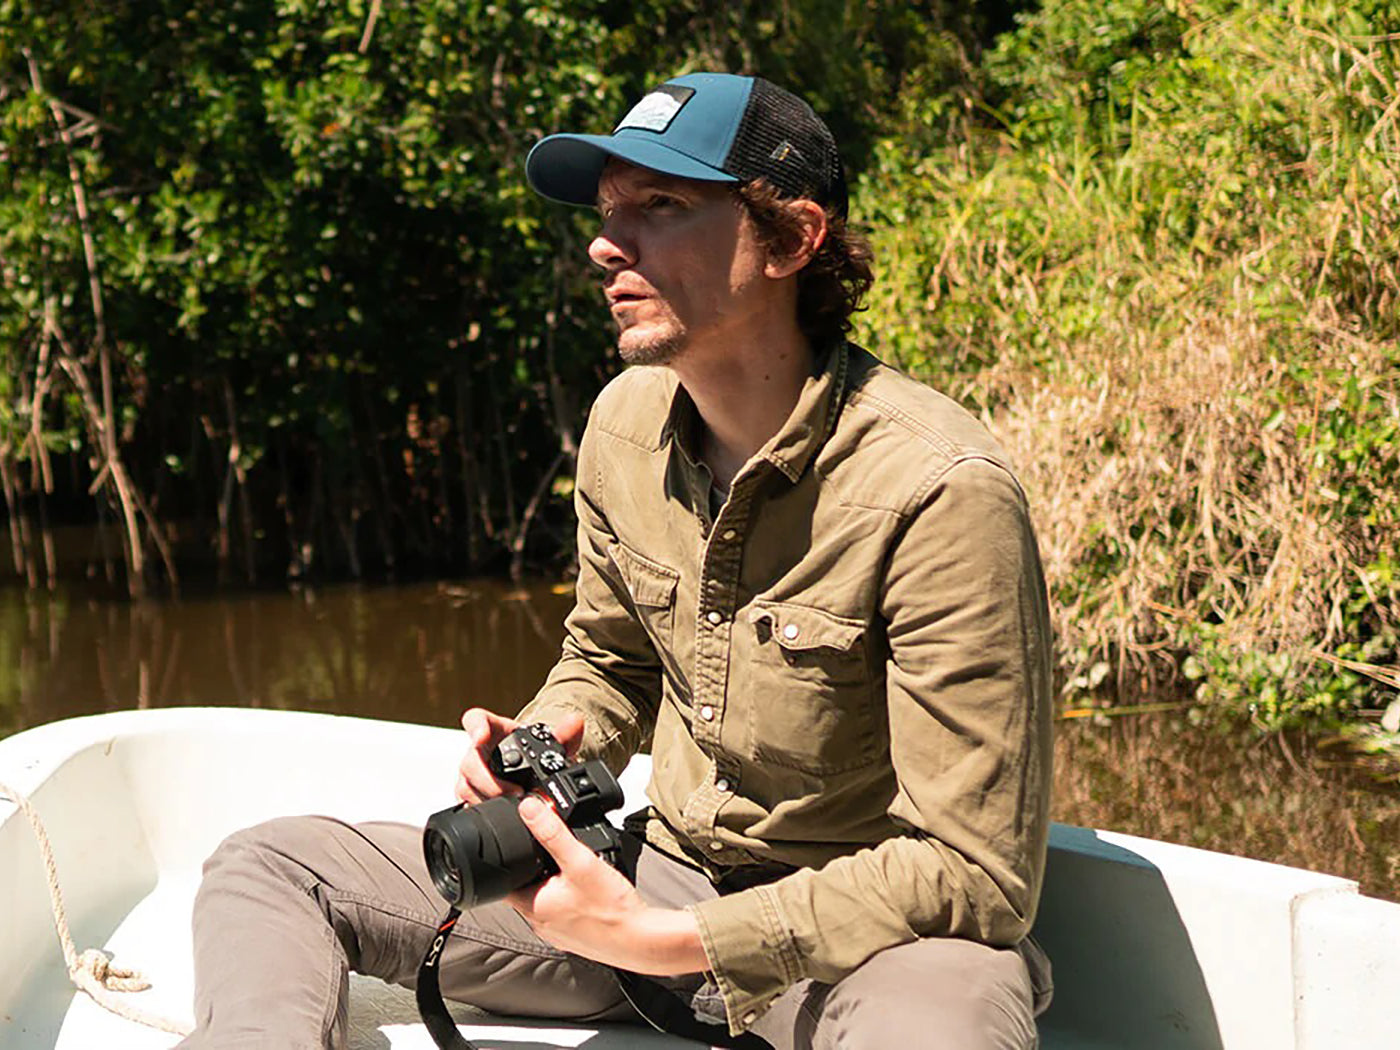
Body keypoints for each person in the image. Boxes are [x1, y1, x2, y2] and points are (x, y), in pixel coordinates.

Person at [177, 72, 1053, 1050]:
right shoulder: (622, 423)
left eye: (660, 206)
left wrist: (667, 938)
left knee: (953, 1011)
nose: (605, 244)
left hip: (859, 944)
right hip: (654, 885)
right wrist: (549, 744)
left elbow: (973, 871)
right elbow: (610, 659)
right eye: (605, 213)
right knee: (274, 866)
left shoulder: (939, 487)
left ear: (792, 238)